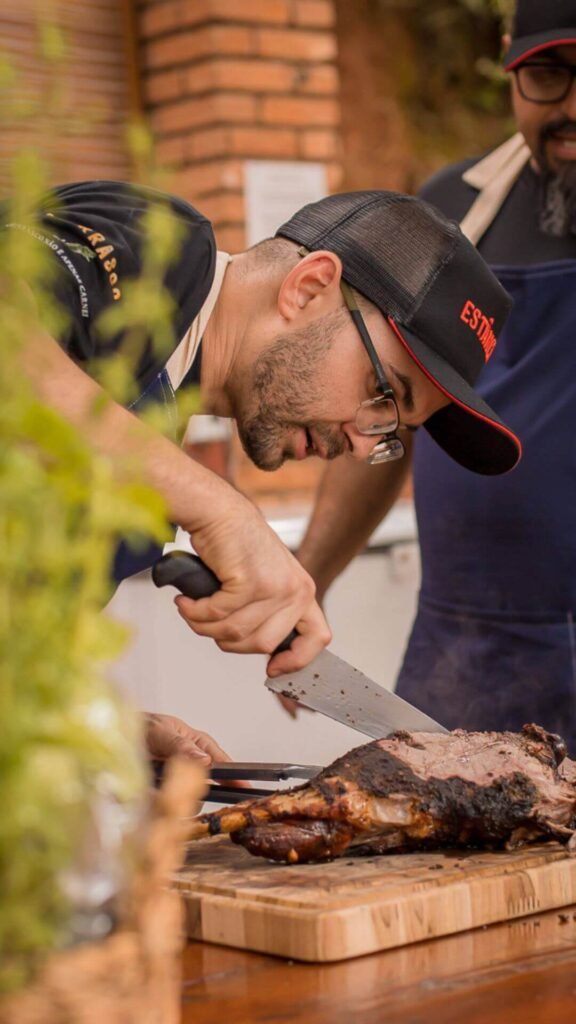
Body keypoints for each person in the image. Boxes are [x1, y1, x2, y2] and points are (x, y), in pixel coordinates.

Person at [7, 185, 519, 761]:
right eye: (382, 391)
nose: (359, 443)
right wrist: (221, 508)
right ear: (308, 288)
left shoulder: (147, 458)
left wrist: (101, 729)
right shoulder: (158, 249)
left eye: (391, 428)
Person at [297, 0, 576, 752]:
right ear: (513, 68)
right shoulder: (450, 210)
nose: (572, 107)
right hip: (463, 657)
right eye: (550, 75)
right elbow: (389, 412)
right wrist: (307, 577)